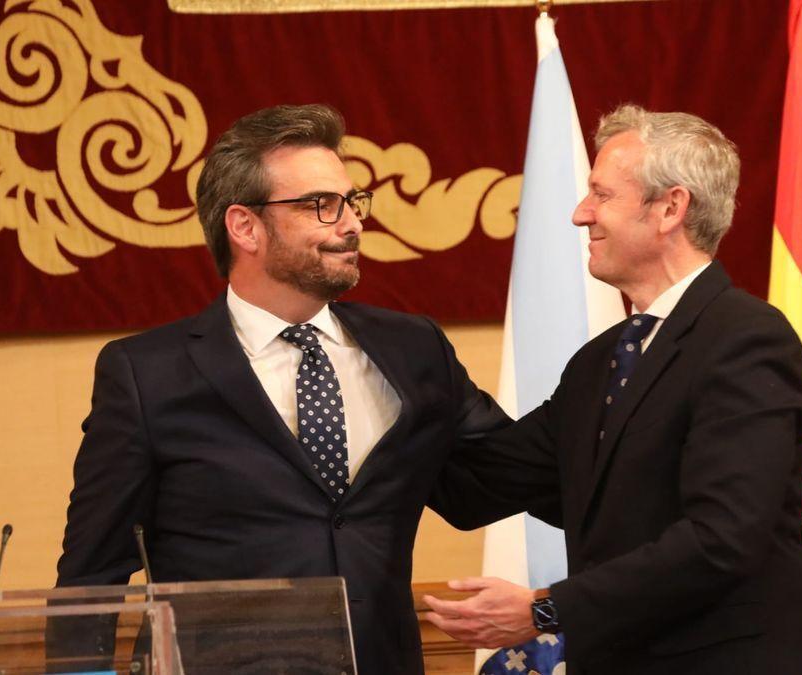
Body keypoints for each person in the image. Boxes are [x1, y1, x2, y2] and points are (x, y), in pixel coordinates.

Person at [56, 104, 509, 675]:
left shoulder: (413, 349)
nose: (351, 224)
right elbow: (90, 577)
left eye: (351, 203)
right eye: (322, 205)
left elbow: (508, 474)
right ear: (244, 226)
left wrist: (623, 377)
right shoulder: (147, 374)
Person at [424, 105, 802, 674]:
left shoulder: (745, 337)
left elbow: (723, 538)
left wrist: (546, 611)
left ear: (671, 206)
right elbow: (482, 485)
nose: (580, 214)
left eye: (602, 195)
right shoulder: (601, 362)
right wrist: (408, 368)